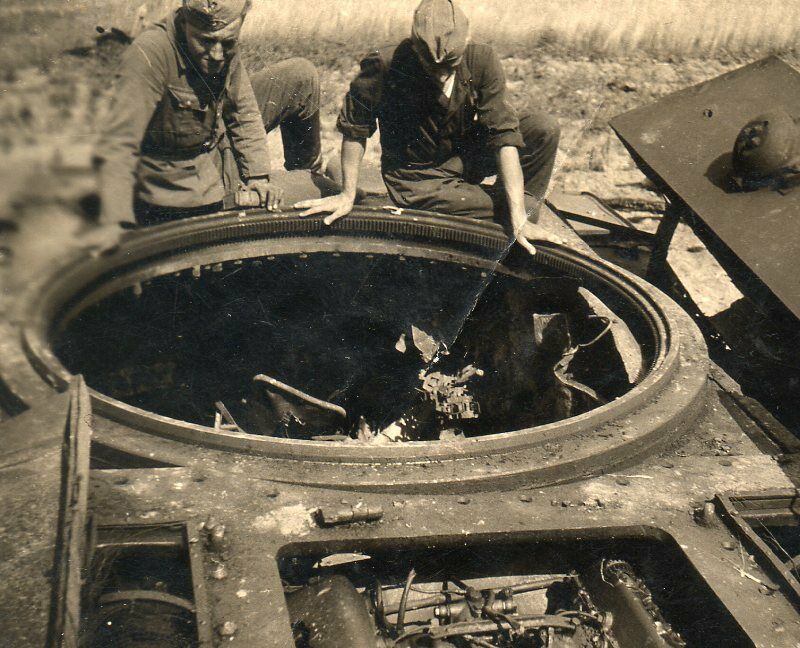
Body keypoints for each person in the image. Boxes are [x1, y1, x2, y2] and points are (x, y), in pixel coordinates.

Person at [296, 0, 561, 253]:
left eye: (450, 66)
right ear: (413, 45)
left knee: (542, 128)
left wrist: (518, 216)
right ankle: (506, 214)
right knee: (526, 205)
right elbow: (355, 130)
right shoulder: (383, 64)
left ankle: (516, 217)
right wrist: (347, 194)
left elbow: (503, 134)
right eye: (432, 68)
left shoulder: (482, 58)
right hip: (417, 178)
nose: (441, 74)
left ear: (466, 41)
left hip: (461, 156)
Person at [92, 0, 326, 237]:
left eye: (227, 42)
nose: (216, 55)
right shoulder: (150, 54)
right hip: (177, 177)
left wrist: (257, 177)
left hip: (216, 138)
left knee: (301, 75)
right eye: (205, 41)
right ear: (184, 23)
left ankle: (309, 176)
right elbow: (119, 145)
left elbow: (242, 110)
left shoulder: (222, 47)